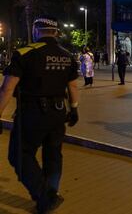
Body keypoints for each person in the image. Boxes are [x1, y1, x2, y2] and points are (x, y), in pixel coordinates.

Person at [0, 15, 79, 213]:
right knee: (53, 156)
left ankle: (45, 196)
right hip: (59, 113)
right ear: (56, 32)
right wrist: (75, 109)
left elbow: (7, 89)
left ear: (36, 31)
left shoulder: (25, 53)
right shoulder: (67, 55)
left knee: (20, 155)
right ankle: (49, 197)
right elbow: (73, 86)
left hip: (32, 114)